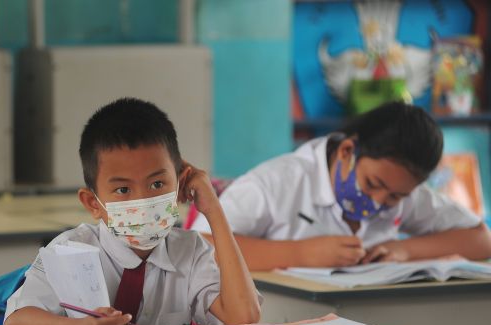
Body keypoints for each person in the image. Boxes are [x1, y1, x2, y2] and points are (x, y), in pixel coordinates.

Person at [4, 97, 261, 325]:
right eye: (123, 190)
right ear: (92, 203)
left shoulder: (189, 251)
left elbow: (243, 316)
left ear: (179, 184)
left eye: (156, 184)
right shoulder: (71, 250)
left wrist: (214, 211)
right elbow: (17, 321)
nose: (142, 201)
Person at [191, 102, 491, 270]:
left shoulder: (401, 190)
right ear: (347, 151)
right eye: (373, 184)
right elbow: (199, 246)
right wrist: (299, 254)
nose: (378, 202)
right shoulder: (279, 182)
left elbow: (480, 240)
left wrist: (402, 249)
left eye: (396, 197)